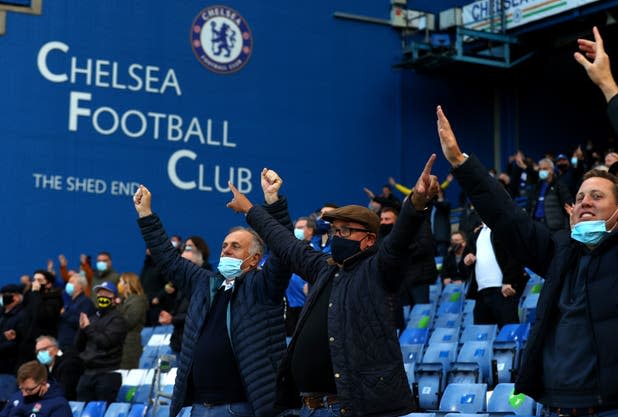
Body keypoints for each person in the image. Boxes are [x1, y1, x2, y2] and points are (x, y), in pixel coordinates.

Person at [435, 24, 618, 414]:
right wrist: (461, 163)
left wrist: (610, 89)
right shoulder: (560, 252)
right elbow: (508, 218)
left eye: (597, 196)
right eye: (579, 197)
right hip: (560, 405)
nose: (583, 202)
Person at [226, 156, 439, 417]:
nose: (337, 237)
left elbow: (398, 243)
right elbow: (285, 243)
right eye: (335, 231)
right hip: (307, 408)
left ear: (370, 240)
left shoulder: (377, 270)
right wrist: (254, 206)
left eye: (345, 231)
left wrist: (416, 205)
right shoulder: (325, 268)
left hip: (347, 408)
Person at [132, 167, 294, 417]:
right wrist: (146, 215)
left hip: (241, 408)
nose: (226, 250)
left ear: (254, 260)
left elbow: (285, 252)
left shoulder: (263, 287)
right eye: (224, 245)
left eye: (235, 246)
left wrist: (273, 201)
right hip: (198, 407)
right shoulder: (204, 283)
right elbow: (168, 260)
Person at [464, 222, 527, 327]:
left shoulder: (504, 228)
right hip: (481, 293)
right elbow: (465, 265)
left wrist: (509, 281)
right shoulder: (475, 234)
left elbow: (514, 256)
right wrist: (467, 260)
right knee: (481, 338)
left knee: (508, 335)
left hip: (503, 290)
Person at [75, 281, 127, 403]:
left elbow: (105, 342)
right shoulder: (92, 318)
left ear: (115, 299)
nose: (101, 297)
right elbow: (79, 345)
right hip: (87, 373)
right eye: (99, 294)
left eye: (106, 294)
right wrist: (82, 329)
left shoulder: (118, 320)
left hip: (107, 374)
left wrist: (88, 328)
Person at [0, 361, 72, 417]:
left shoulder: (59, 405)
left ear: (43, 383)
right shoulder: (17, 396)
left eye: (29, 390)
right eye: (21, 388)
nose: (24, 394)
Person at [528, 158, 573, 232]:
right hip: (536, 224)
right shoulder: (536, 187)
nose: (542, 171)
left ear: (551, 170)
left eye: (545, 169)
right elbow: (530, 206)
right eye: (540, 169)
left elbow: (568, 205)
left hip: (553, 227)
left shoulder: (559, 185)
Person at [34, 336, 84, 401]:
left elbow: (67, 392)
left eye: (44, 349)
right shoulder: (43, 368)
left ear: (56, 348)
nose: (40, 353)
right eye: (38, 352)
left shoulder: (68, 364)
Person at [117, 273, 149, 369]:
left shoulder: (137, 301)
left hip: (130, 345)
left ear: (128, 284)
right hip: (121, 343)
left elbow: (129, 322)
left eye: (121, 282)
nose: (118, 284)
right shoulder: (124, 301)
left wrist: (114, 318)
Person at [58, 273, 95, 351]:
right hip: (64, 343)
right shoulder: (70, 302)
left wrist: (64, 314)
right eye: (68, 282)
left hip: (74, 346)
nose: (68, 284)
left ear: (80, 286)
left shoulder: (86, 302)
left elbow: (81, 322)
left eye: (71, 282)